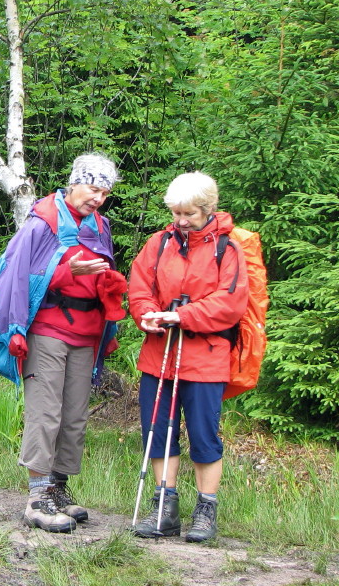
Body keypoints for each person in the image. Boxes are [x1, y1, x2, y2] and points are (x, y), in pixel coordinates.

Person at [0, 153, 127, 533]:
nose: (98, 198)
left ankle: (59, 487)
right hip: (47, 329)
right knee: (45, 414)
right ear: (75, 182)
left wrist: (109, 296)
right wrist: (14, 328)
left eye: (105, 193)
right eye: (93, 189)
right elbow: (16, 276)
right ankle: (36, 497)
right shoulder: (42, 222)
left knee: (74, 417)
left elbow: (102, 275)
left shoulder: (100, 225)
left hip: (86, 333)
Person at [127, 171, 249, 542]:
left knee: (203, 435)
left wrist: (181, 315)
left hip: (206, 357)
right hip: (159, 354)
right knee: (158, 431)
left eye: (189, 214)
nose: (181, 221)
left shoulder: (227, 250)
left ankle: (206, 509)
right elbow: (139, 285)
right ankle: (164, 505)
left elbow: (230, 304)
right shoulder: (159, 243)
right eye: (176, 213)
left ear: (209, 208)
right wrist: (147, 314)